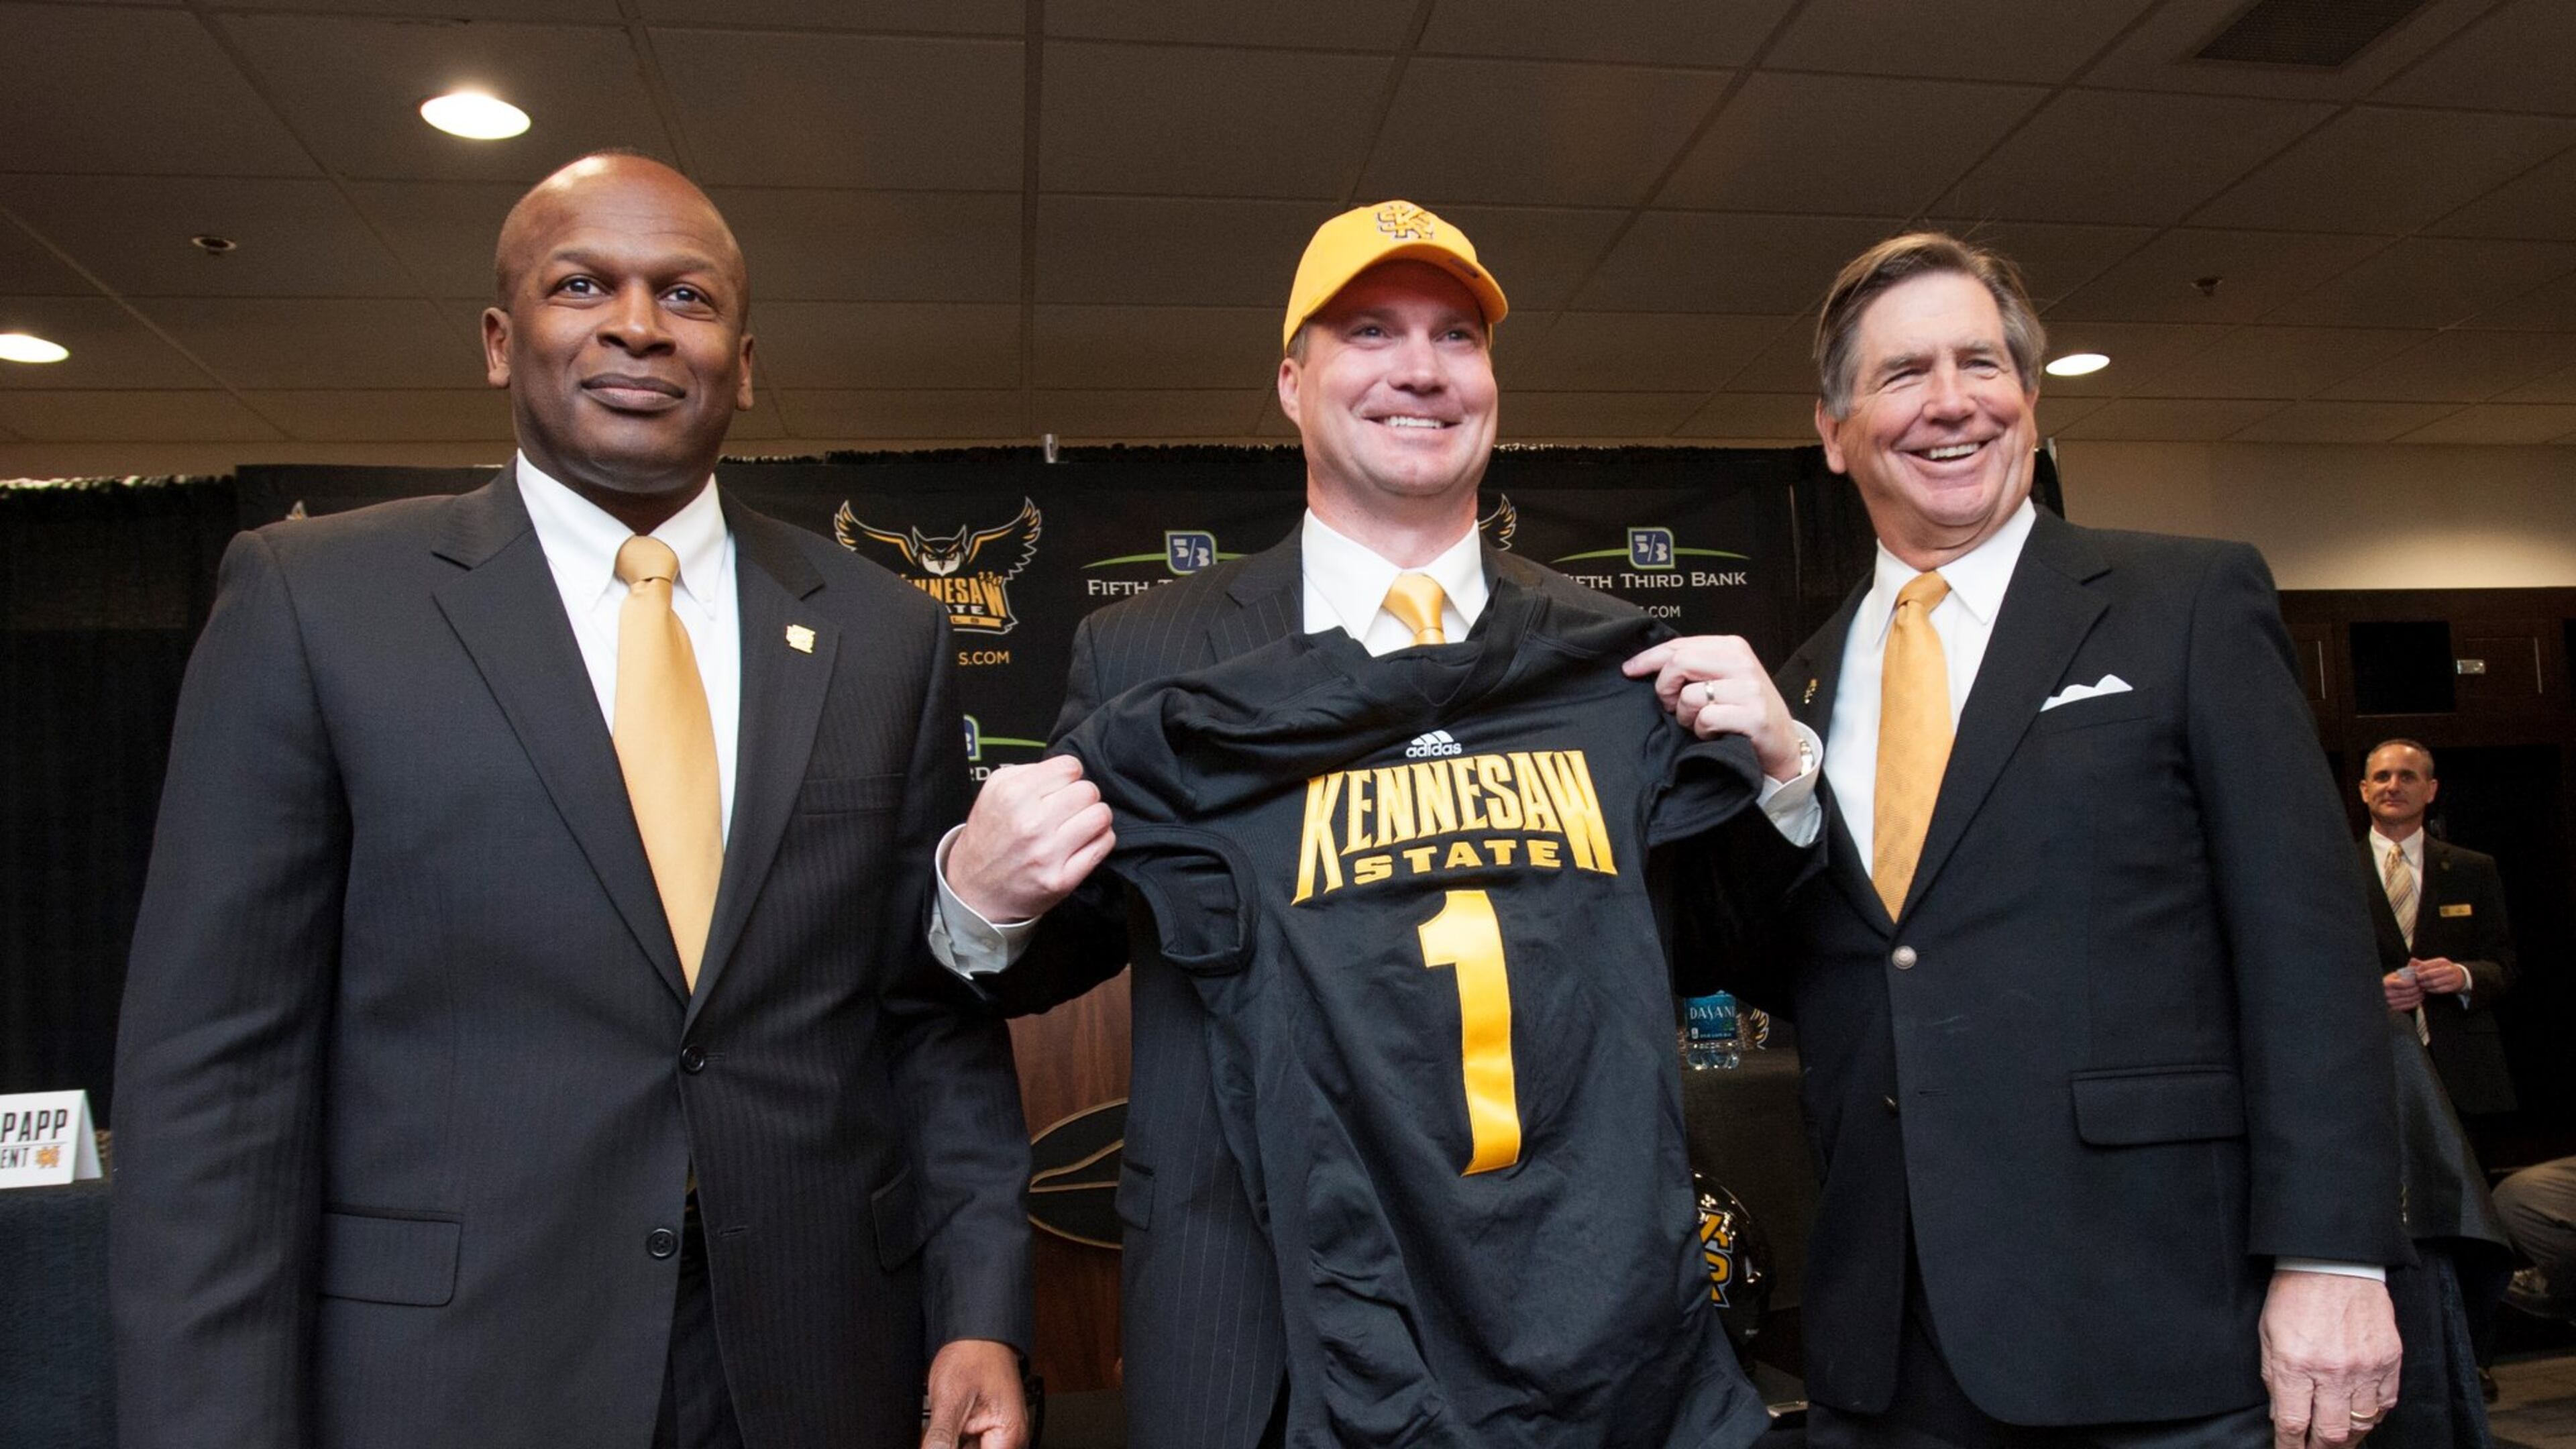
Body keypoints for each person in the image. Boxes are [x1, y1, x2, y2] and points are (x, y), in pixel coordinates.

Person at [111, 152, 1031, 1449]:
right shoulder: (316, 604)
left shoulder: (882, 635)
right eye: (583, 284)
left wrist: (979, 1301)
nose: (639, 326)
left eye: (688, 297)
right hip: (451, 1374)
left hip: (814, 1367)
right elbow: (217, 1077)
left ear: (746, 360)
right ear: (501, 339)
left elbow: (928, 1018)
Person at [930, 200, 1819, 1448]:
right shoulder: (1146, 658)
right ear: (1293, 383)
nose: (1420, 367)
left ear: (1492, 382)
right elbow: (1052, 960)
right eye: (1369, 331)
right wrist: (979, 896)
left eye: (1457, 335)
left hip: (1583, 1332)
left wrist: (1782, 778)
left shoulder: (1615, 662)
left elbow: (1734, 955)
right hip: (1263, 1322)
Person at [1721, 232, 2407, 1447]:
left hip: (2156, 1329)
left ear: (2029, 401)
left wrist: (2334, 1255)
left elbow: (2311, 953)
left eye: (1980, 363)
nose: (1951, 403)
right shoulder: (1804, 685)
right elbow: (1817, 969)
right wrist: (1779, 790)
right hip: (1890, 1353)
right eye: (1901, 374)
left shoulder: (2186, 604)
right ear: (1832, 432)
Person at [2360, 739, 2521, 1118]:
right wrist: (2370, 992)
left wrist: (2462, 976)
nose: (2393, 786)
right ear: (2364, 790)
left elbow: (2504, 965)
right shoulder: (2333, 873)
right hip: (2371, 1063)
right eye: (2382, 777)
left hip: (2464, 1071)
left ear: (2430, 790)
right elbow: (2311, 976)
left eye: (2407, 776)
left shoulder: (2473, 870)